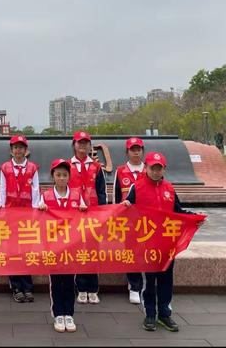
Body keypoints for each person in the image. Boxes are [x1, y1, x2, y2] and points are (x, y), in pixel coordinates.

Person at [121, 151, 197, 332]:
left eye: (159, 168)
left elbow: (178, 211)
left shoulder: (169, 189)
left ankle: (165, 314)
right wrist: (125, 208)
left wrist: (194, 217)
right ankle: (149, 314)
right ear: (146, 168)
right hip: (147, 243)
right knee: (150, 281)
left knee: (166, 280)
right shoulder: (136, 188)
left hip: (167, 244)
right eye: (152, 168)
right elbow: (125, 211)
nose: (156, 172)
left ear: (164, 169)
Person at [39, 158, 87, 333]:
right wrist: (41, 210)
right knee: (56, 281)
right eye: (58, 175)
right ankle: (58, 313)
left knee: (69, 281)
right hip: (52, 247)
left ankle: (69, 313)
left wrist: (83, 211)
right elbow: (34, 218)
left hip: (70, 246)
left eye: (64, 175)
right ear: (53, 176)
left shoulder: (76, 195)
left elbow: (86, 215)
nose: (61, 178)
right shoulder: (45, 196)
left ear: (69, 177)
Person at [0, 135, 40, 303]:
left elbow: (36, 191)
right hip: (10, 215)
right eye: (15, 147)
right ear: (11, 150)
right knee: (13, 251)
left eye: (21, 147)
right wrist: (1, 211)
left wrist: (36, 212)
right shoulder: (5, 168)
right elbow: (2, 190)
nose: (18, 150)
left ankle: (27, 286)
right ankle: (16, 286)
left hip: (28, 215)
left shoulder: (33, 168)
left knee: (27, 250)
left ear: (26, 150)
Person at [69, 131, 106, 304]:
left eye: (85, 143)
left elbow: (101, 191)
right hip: (75, 215)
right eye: (79, 142)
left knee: (92, 250)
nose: (82, 145)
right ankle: (81, 288)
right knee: (78, 250)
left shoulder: (96, 167)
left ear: (90, 145)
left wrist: (103, 213)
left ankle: (93, 288)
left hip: (93, 215)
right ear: (74, 144)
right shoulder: (68, 166)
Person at [113, 137, 146, 304]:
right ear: (127, 152)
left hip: (148, 221)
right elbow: (116, 198)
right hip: (128, 222)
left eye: (138, 148)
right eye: (132, 149)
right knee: (131, 253)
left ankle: (147, 285)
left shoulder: (150, 170)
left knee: (146, 252)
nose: (136, 151)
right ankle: (134, 286)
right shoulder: (120, 171)